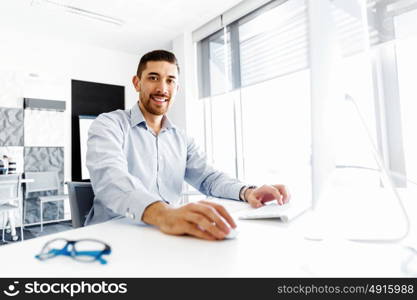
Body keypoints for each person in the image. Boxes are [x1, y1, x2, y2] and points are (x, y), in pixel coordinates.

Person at [85, 50, 290, 240]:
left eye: (170, 80)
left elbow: (209, 179)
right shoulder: (109, 124)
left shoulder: (181, 139)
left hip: (163, 234)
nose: (162, 88)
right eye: (153, 78)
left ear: (177, 88)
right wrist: (164, 213)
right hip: (112, 234)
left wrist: (247, 192)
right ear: (137, 83)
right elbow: (110, 178)